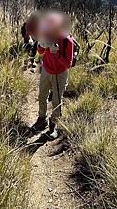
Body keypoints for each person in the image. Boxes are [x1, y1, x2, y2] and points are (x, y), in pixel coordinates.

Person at [31, 11, 74, 139]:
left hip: (59, 74)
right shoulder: (47, 35)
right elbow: (40, 51)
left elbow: (68, 64)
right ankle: (42, 119)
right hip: (46, 70)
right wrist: (41, 45)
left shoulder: (67, 41)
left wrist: (56, 54)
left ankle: (53, 126)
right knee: (42, 96)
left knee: (56, 100)